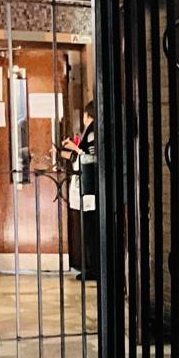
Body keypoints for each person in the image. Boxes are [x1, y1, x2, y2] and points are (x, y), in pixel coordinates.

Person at [59, 101, 98, 281]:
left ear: (87, 114)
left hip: (91, 187)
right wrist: (65, 152)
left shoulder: (92, 132)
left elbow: (92, 158)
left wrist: (75, 149)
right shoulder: (89, 132)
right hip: (88, 186)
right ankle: (92, 267)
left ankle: (95, 268)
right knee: (89, 229)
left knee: (92, 229)